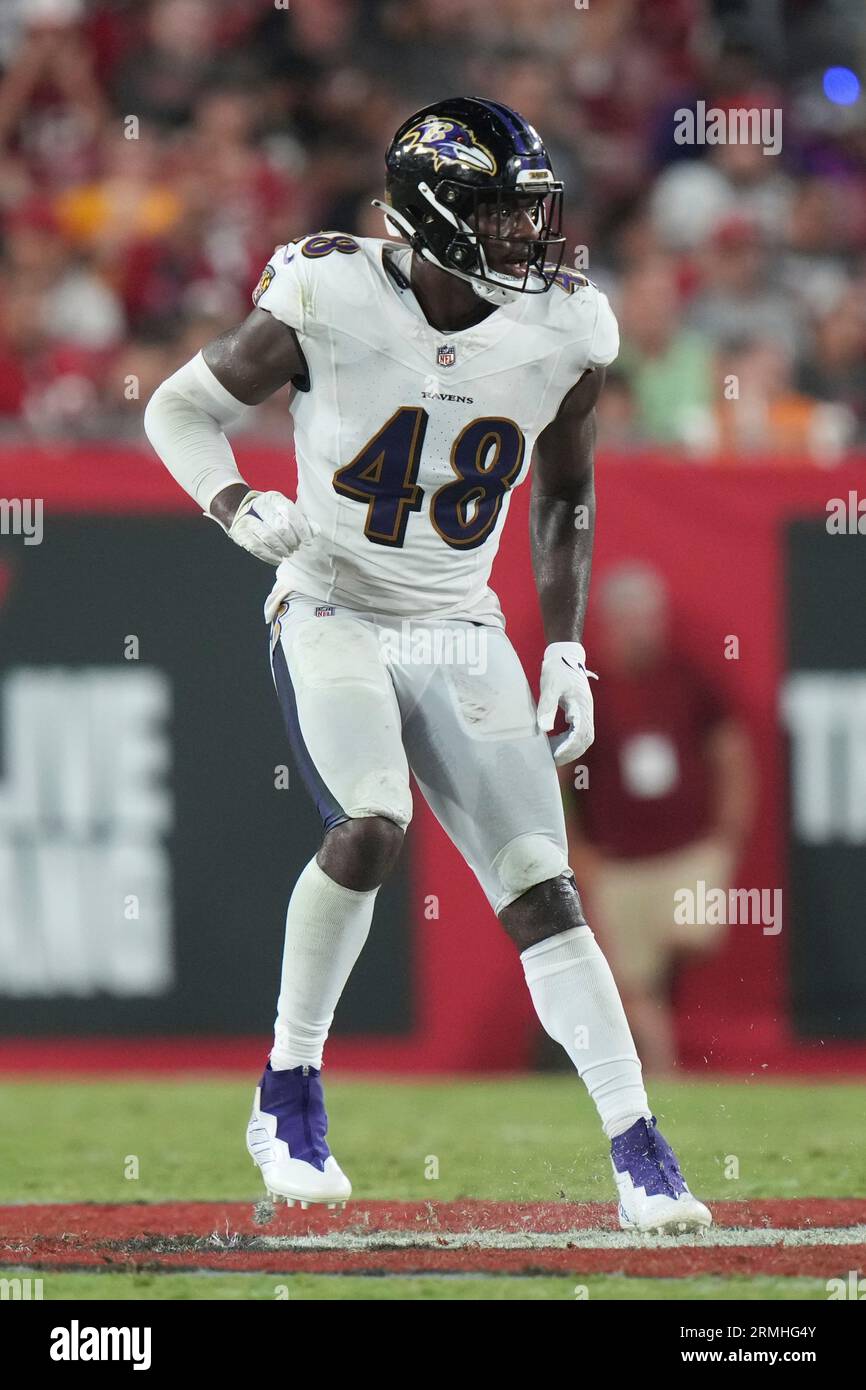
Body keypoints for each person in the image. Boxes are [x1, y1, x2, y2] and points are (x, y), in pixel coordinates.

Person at [144, 97, 711, 1234]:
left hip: (461, 622)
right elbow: (179, 408)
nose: (527, 237)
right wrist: (233, 498)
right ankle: (288, 1090)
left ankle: (637, 1145)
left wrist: (560, 643)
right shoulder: (327, 294)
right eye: (501, 212)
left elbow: (561, 489)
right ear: (437, 213)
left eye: (528, 211)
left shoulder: (564, 329)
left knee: (542, 887)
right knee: (369, 823)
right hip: (334, 603)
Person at [564, 563, 754, 1074]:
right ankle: (662, 1070)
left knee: (692, 931)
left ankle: (660, 1025)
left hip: (687, 850)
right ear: (609, 622)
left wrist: (729, 832)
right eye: (632, 619)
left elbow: (730, 750)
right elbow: (562, 775)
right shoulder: (589, 692)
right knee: (632, 981)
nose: (645, 629)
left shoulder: (688, 677)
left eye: (651, 617)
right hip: (620, 860)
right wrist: (577, 849)